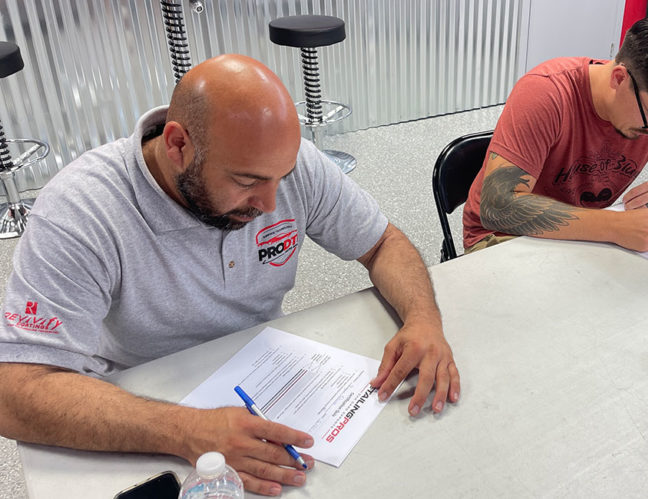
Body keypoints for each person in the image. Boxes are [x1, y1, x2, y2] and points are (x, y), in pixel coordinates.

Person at [0, 54, 460, 496]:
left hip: (266, 375)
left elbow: (382, 243)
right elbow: (15, 391)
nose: (270, 205)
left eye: (282, 177)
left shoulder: (281, 165)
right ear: (178, 145)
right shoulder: (82, 210)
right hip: (139, 405)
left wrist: (423, 318)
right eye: (246, 182)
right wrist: (187, 430)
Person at [463, 12, 648, 253]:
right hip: (503, 238)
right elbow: (498, 206)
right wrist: (613, 227)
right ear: (619, 78)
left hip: (587, 235)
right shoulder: (547, 93)